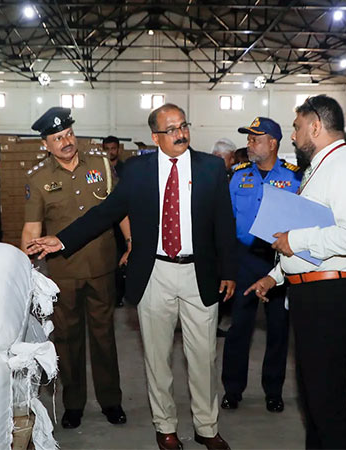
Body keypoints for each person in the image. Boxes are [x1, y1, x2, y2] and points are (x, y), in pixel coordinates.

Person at [27, 103, 237, 450]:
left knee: (203, 357)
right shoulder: (138, 170)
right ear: (155, 137)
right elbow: (106, 212)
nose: (180, 134)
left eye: (183, 126)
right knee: (157, 359)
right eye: (171, 130)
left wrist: (228, 270)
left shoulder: (211, 168)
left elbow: (223, 222)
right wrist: (62, 239)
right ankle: (165, 426)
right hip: (153, 273)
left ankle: (207, 427)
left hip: (200, 273)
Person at [248, 94, 346, 449]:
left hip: (329, 296)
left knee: (327, 399)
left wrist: (295, 239)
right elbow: (310, 234)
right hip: (310, 291)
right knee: (314, 397)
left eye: (297, 126)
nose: (293, 135)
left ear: (316, 126)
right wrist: (274, 277)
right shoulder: (322, 166)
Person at [20, 107, 129, 429]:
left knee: (104, 337)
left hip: (102, 268)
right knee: (68, 341)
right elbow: (32, 228)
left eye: (68, 134)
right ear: (46, 145)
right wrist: (24, 266)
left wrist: (132, 241)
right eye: (57, 138)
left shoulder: (102, 166)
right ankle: (74, 404)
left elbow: (121, 208)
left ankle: (111, 401)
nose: (66, 142)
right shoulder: (39, 180)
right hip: (64, 273)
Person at [221, 116, 301, 414]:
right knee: (238, 327)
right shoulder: (239, 175)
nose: (250, 144)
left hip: (279, 261)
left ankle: (273, 390)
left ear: (273, 143)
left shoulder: (295, 177)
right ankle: (232, 389)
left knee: (279, 329)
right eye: (249, 138)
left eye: (256, 139)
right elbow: (227, 221)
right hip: (244, 259)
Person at [102, 135, 130, 307]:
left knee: (122, 259)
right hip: (106, 221)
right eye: (107, 148)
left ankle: (119, 296)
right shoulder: (98, 170)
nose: (111, 152)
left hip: (123, 222)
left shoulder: (126, 170)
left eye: (113, 148)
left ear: (118, 149)